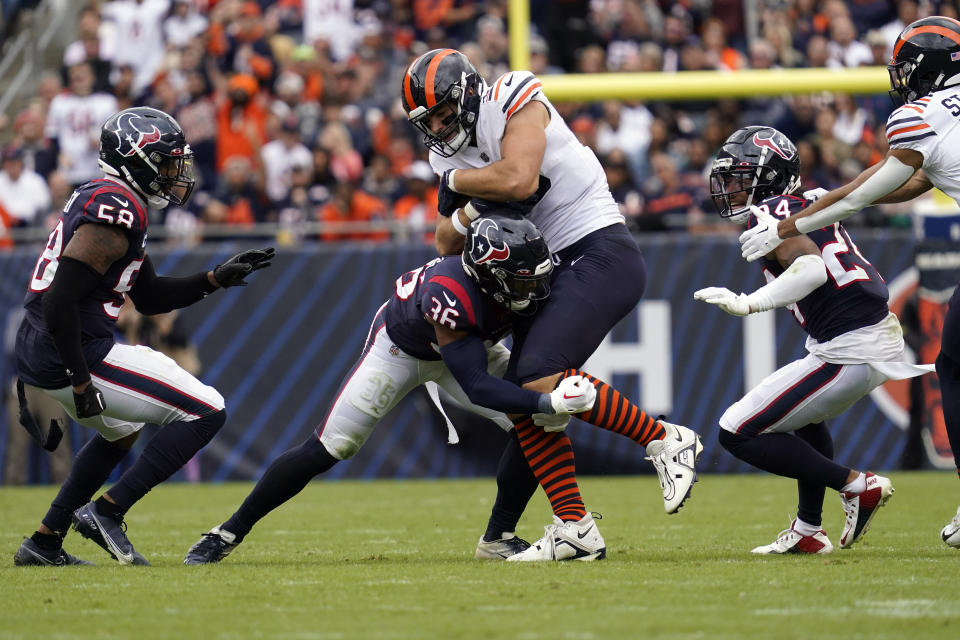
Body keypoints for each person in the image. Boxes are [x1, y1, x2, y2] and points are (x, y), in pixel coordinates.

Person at [400, 48, 702, 561]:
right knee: (529, 405)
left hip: (598, 248)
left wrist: (457, 185)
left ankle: (663, 439)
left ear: (470, 93)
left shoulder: (512, 95)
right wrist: (474, 201)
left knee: (537, 376)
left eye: (445, 114)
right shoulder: (445, 156)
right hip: (546, 271)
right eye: (429, 121)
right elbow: (443, 241)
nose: (440, 129)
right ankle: (572, 528)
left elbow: (519, 178)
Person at [183, 212, 602, 564]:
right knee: (332, 446)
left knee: (540, 425)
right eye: (522, 281)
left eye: (536, 278)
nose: (534, 290)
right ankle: (227, 533)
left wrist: (544, 405)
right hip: (401, 351)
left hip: (468, 346)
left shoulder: (512, 285)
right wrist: (547, 397)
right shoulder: (450, 293)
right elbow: (476, 386)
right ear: (490, 275)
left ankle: (497, 538)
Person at [12, 106, 274, 567]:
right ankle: (107, 512)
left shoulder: (110, 198)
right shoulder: (117, 209)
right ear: (137, 159)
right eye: (168, 161)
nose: (176, 172)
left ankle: (44, 541)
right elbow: (58, 301)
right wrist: (79, 380)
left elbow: (149, 296)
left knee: (122, 432)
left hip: (50, 347)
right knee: (208, 410)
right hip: (70, 350)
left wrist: (214, 278)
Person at [737, 16, 960, 549]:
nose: (899, 76)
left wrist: (787, 226)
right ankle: (809, 526)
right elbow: (919, 179)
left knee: (953, 366)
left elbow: (865, 193)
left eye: (906, 65)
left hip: (852, 342)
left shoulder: (923, 114)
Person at [703, 126, 932, 553]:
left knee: (734, 431)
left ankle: (855, 485)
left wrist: (749, 304)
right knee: (805, 420)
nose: (731, 188)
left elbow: (811, 269)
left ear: (768, 175)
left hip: (851, 347)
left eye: (740, 177)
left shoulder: (768, 214)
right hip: (861, 336)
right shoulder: (810, 199)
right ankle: (809, 531)